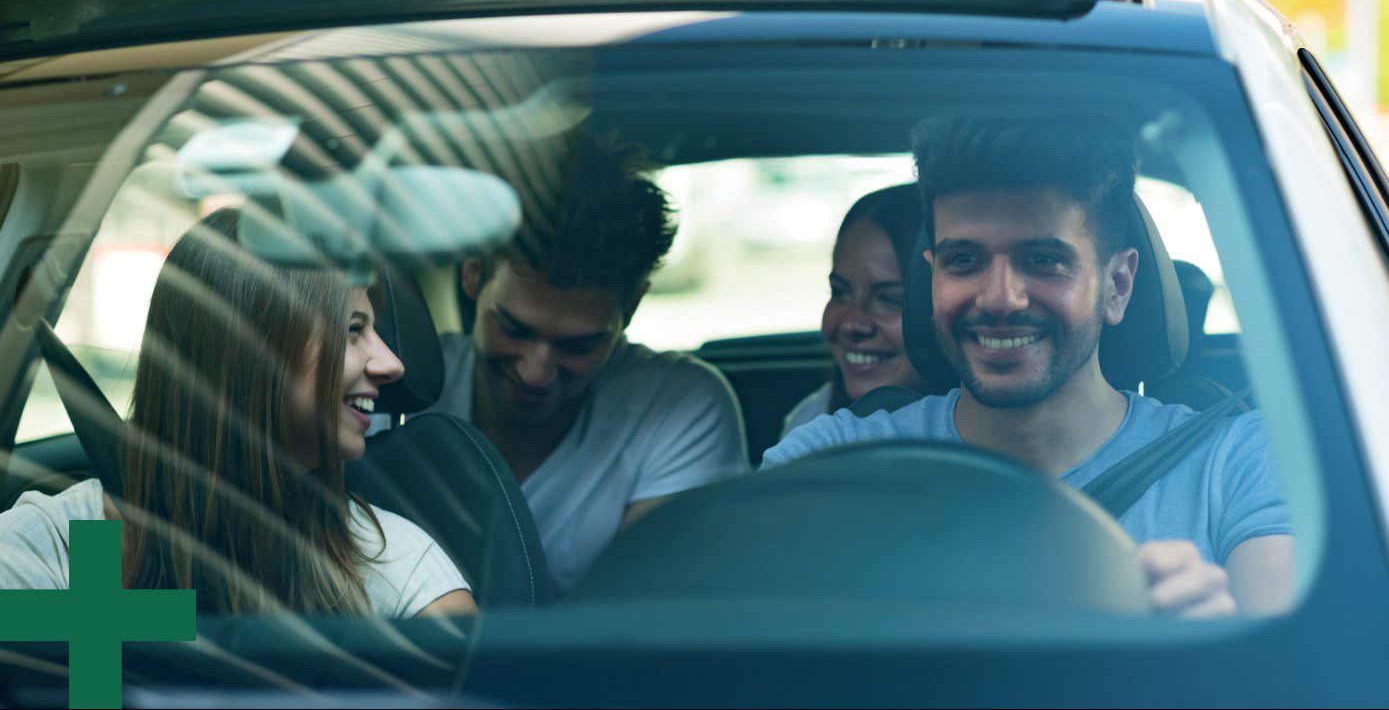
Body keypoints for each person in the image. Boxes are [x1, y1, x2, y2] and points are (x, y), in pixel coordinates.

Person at [764, 117, 1294, 617]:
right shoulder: (830, 465)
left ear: (1117, 285)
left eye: (1043, 260)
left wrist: (1217, 651)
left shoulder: (1235, 465)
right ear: (931, 281)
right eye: (964, 261)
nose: (999, 298)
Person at [0, 208, 476, 617]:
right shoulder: (58, 548)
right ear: (254, 353)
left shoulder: (396, 570)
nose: (392, 363)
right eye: (353, 330)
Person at [428, 135, 748, 595]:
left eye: (579, 345)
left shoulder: (678, 407)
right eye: (514, 329)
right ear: (473, 274)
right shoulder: (387, 387)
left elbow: (650, 616)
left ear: (632, 308)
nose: (536, 372)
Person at [781, 184, 929, 439]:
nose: (851, 324)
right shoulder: (809, 423)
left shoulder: (998, 434)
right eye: (839, 293)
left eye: (889, 299)